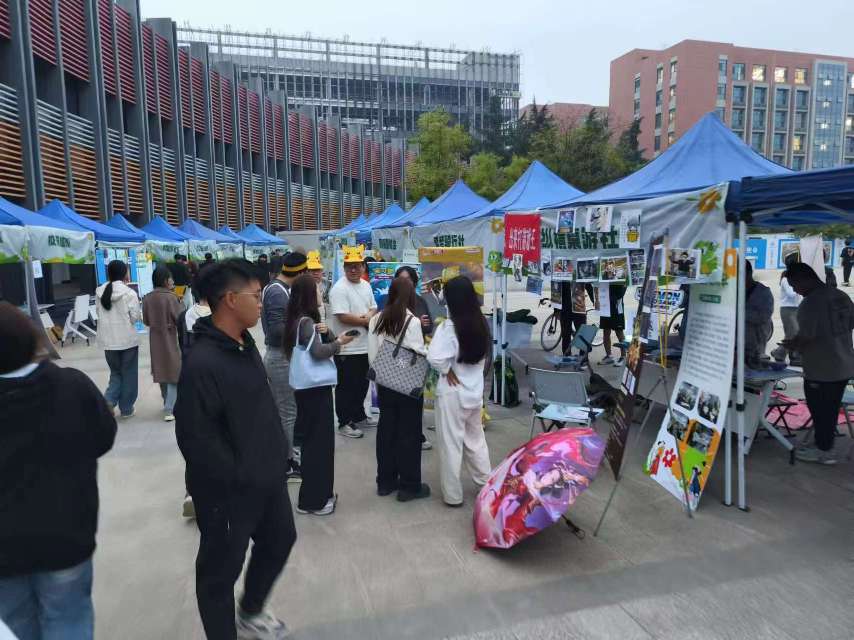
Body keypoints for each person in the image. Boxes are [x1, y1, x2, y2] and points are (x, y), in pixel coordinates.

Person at [175, 259, 297, 639]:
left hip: (267, 477)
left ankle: (251, 610)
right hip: (229, 492)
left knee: (280, 540)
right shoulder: (202, 363)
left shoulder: (244, 343)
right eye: (256, 296)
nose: (262, 303)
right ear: (230, 299)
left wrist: (276, 457)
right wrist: (238, 477)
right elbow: (196, 440)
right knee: (219, 573)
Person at [0, 302, 116, 640]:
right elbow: (103, 437)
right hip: (66, 535)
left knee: (15, 624)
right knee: (68, 620)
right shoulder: (72, 385)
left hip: (4, 553)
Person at [283, 274, 355, 515]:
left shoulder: (297, 320)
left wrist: (328, 333)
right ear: (308, 294)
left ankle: (311, 497)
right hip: (316, 390)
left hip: (306, 390)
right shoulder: (305, 322)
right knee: (320, 445)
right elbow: (319, 352)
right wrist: (339, 342)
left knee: (313, 443)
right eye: (316, 291)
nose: (320, 294)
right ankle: (316, 500)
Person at [427, 276, 493, 507]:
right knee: (476, 442)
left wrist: (447, 370)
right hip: (474, 393)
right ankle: (486, 484)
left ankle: (453, 495)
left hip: (452, 395)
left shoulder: (449, 327)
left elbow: (434, 357)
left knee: (451, 446)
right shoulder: (482, 323)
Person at [783, 263, 854, 466]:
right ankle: (824, 445)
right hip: (844, 364)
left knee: (821, 411)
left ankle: (824, 451)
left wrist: (792, 344)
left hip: (823, 368)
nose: (795, 290)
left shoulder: (811, 303)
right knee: (830, 410)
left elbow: (806, 336)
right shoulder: (840, 295)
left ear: (805, 279)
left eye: (794, 285)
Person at [368, 277, 430, 501]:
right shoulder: (412, 321)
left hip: (384, 380)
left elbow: (372, 353)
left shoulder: (375, 319)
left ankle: (385, 482)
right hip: (407, 382)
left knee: (387, 430)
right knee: (409, 433)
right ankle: (409, 486)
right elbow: (417, 353)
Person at [261, 252, 308, 483]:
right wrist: (303, 326)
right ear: (300, 273)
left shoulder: (280, 289)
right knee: (287, 412)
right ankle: (288, 463)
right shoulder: (277, 293)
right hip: (280, 357)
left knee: (288, 410)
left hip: (284, 355)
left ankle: (288, 455)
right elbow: (276, 330)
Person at [328, 245, 378, 438]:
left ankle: (359, 415)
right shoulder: (339, 289)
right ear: (344, 267)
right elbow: (342, 316)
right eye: (349, 266)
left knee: (362, 384)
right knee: (346, 386)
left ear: (363, 267)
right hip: (347, 347)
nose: (353, 269)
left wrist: (370, 315)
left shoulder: (366, 285)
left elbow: (373, 307)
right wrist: (365, 320)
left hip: (366, 345)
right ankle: (344, 421)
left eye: (357, 265)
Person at [395, 265, 435, 451]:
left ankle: (416, 435)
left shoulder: (420, 301)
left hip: (416, 359)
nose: (404, 283)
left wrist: (423, 325)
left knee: (415, 401)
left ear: (414, 283)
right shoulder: (389, 302)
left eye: (408, 280)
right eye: (401, 279)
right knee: (397, 402)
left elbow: (428, 327)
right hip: (395, 359)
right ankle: (399, 436)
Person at [95, 259, 141, 418]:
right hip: (127, 340)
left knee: (115, 373)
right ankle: (126, 408)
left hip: (108, 341)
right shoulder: (129, 293)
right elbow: (135, 317)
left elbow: (98, 313)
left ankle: (108, 401)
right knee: (129, 374)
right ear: (124, 273)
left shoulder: (99, 291)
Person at [142, 266, 183, 422]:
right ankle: (170, 408)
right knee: (174, 372)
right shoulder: (171, 297)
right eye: (170, 278)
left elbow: (146, 320)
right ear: (166, 280)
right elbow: (179, 318)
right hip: (171, 337)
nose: (172, 281)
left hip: (155, 338)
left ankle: (167, 401)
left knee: (161, 371)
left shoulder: (147, 298)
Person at [770, 256, 803, 365]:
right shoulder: (785, 279)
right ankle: (780, 353)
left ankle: (784, 354)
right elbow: (791, 294)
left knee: (792, 334)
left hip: (796, 308)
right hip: (787, 310)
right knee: (793, 333)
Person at [744, 260, 774, 369]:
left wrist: (739, 313)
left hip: (755, 347)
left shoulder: (763, 293)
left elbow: (763, 316)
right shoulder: (733, 291)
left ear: (748, 273)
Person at [559, 282, 594, 355]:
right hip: (565, 308)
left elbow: (588, 286)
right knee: (565, 334)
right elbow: (557, 289)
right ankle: (566, 356)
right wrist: (556, 310)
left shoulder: (580, 275)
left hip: (579, 306)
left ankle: (583, 358)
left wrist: (595, 300)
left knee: (582, 333)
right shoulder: (562, 275)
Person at [599, 283, 627, 366]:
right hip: (605, 304)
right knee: (606, 331)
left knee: (619, 332)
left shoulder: (620, 276)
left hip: (617, 305)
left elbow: (625, 285)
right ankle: (609, 356)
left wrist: (617, 296)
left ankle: (623, 357)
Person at [306, 250, 327, 322]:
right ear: (306, 272)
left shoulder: (322, 285)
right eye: (312, 270)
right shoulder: (303, 288)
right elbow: (318, 303)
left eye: (318, 270)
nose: (316, 273)